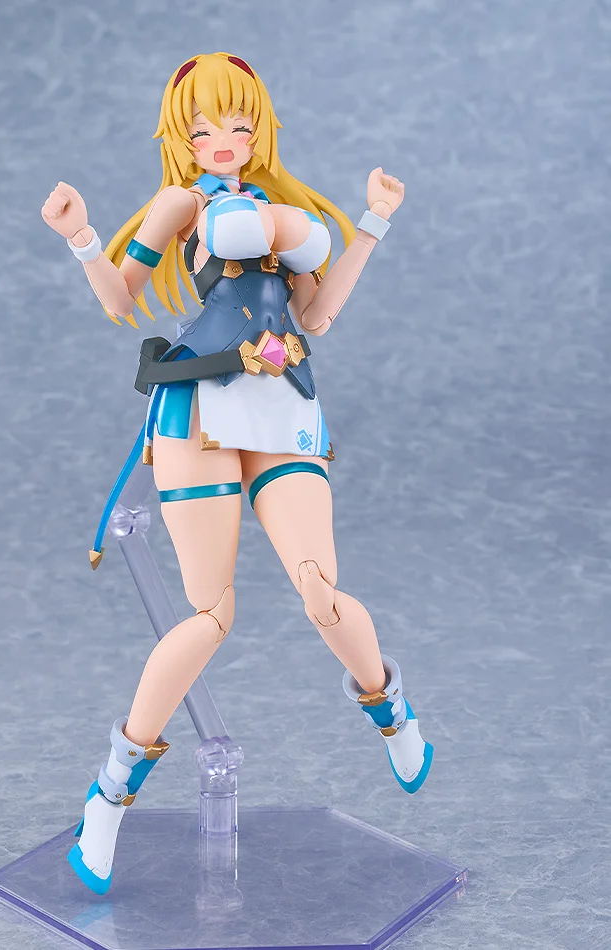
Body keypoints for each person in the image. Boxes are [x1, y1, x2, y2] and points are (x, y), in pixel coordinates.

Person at [41, 51, 433, 895]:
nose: (222, 139)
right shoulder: (183, 204)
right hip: (200, 405)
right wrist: (80, 236)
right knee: (210, 615)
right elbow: (120, 300)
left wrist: (373, 223)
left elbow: (318, 315)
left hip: (283, 400)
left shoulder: (288, 216)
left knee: (319, 588)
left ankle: (389, 706)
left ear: (259, 132)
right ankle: (110, 795)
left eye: (238, 123)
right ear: (182, 139)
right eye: (203, 128)